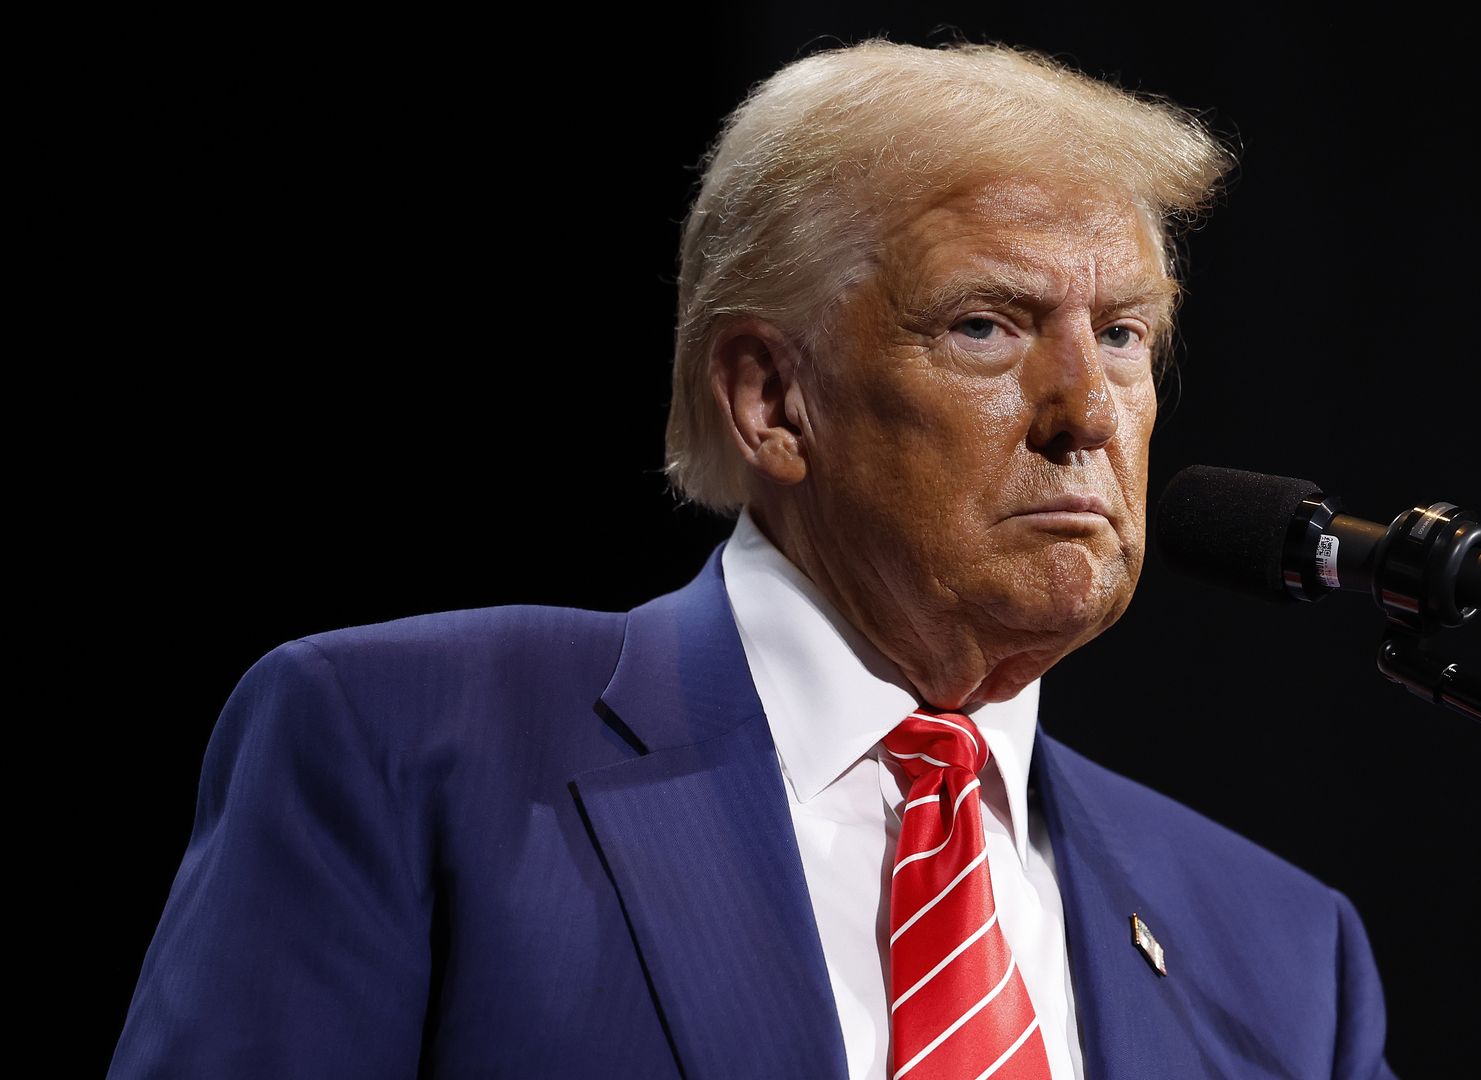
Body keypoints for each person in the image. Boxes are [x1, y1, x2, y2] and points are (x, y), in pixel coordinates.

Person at [109, 38, 1394, 1079]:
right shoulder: (410, 747)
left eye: (1122, 334)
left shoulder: (1281, 956)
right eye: (989, 325)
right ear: (772, 399)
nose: (1086, 412)